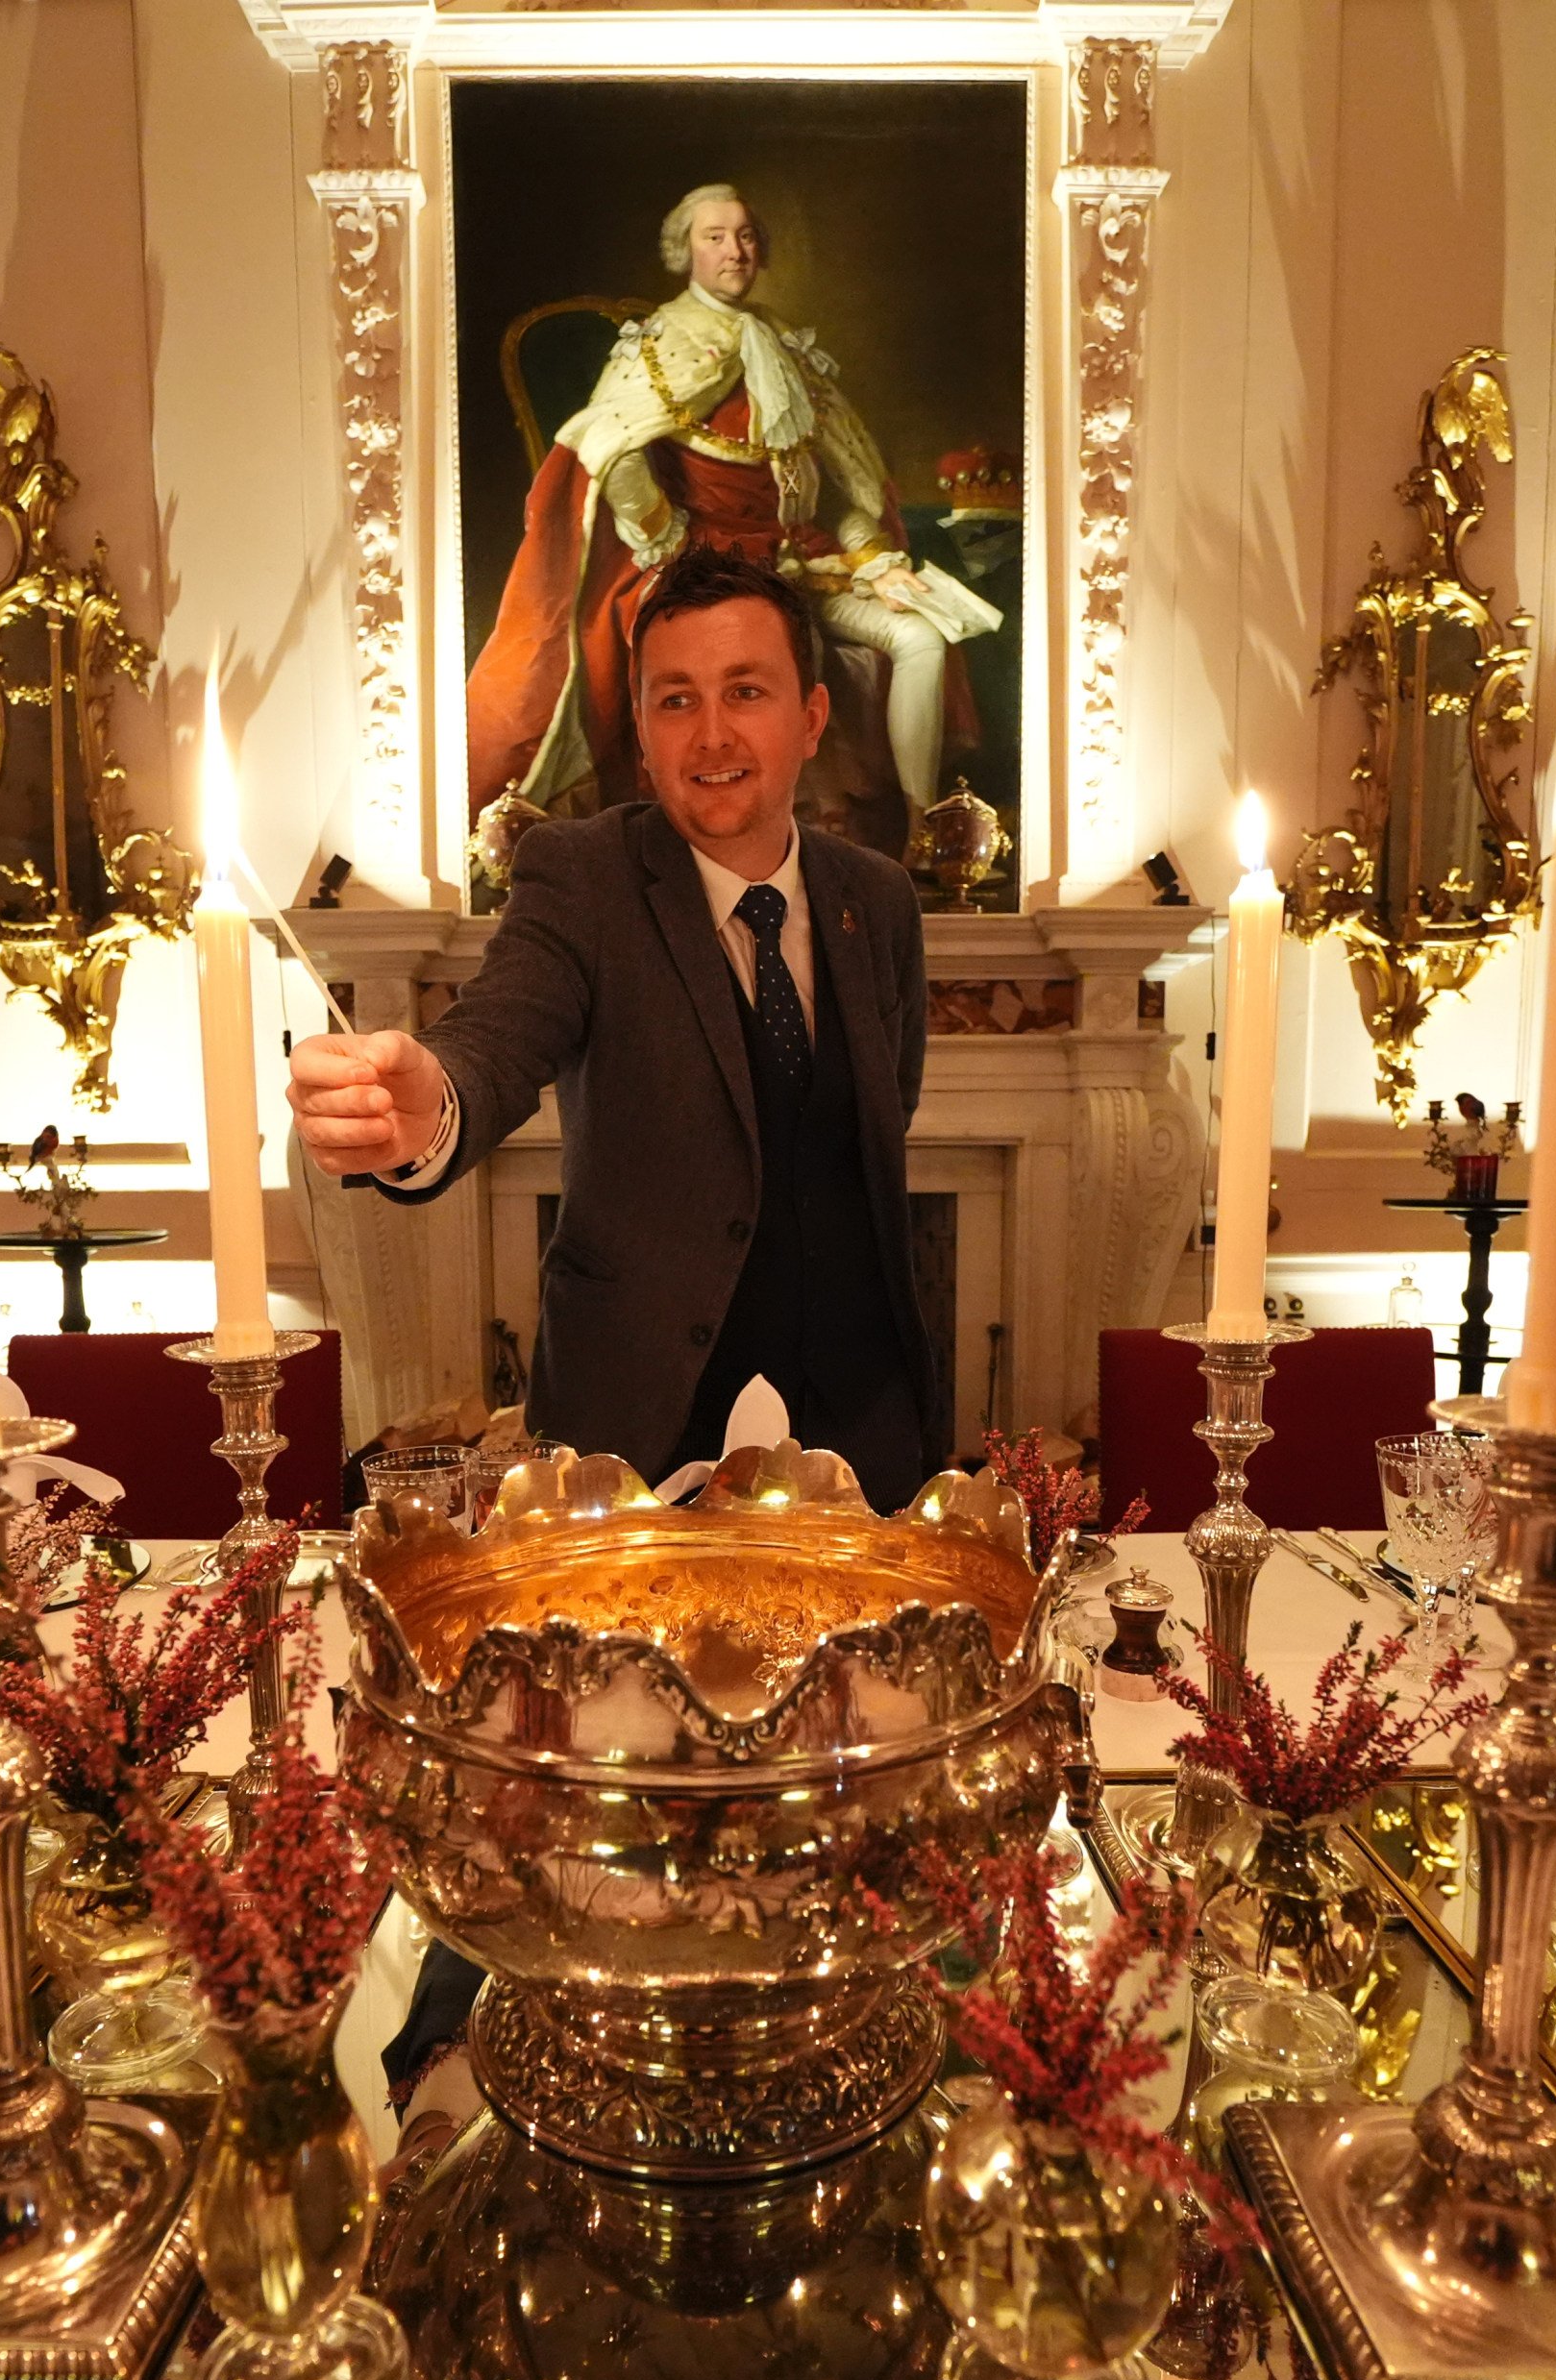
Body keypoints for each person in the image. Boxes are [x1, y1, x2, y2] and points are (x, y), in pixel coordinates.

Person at [293, 549, 945, 1507]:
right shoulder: (581, 877)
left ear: (810, 718)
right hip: (643, 1431)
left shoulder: (878, 898)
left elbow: (894, 1092)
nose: (712, 732)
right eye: (675, 700)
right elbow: (496, 1037)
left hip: (866, 1430)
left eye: (746, 691)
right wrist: (427, 1109)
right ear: (641, 732)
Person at [464, 181, 999, 838]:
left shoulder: (782, 343)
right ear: (684, 251)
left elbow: (843, 485)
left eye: (745, 236)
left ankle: (921, 830)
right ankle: (767, 832)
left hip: (797, 556)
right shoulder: (660, 339)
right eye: (714, 237)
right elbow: (608, 444)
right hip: (701, 563)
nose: (734, 251)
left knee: (921, 636)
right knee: (783, 642)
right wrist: (665, 531)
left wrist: (876, 559)